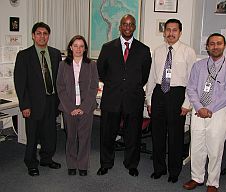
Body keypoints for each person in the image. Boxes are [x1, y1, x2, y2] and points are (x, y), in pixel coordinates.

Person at [96, 14, 152, 177]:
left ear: (134, 27)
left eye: (131, 24)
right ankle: (106, 163)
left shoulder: (143, 50)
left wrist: (129, 86)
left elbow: (144, 76)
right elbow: (101, 71)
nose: (127, 27)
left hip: (133, 98)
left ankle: (131, 164)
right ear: (120, 27)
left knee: (133, 135)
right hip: (111, 98)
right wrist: (115, 84)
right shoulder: (107, 47)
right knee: (107, 133)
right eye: (124, 24)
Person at [183, 33, 226, 192]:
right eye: (212, 44)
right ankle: (196, 178)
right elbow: (191, 88)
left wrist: (210, 109)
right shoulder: (198, 66)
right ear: (207, 47)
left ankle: (213, 182)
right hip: (199, 111)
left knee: (215, 149)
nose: (215, 46)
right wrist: (199, 107)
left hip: (218, 112)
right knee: (197, 147)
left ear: (224, 46)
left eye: (219, 43)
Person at [145, 18, 196, 183]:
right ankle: (159, 168)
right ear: (164, 32)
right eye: (168, 30)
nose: (171, 33)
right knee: (157, 134)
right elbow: (152, 77)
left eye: (174, 30)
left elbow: (192, 80)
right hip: (159, 93)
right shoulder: (158, 51)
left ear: (180, 32)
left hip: (177, 94)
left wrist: (187, 103)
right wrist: (149, 100)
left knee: (175, 136)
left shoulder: (188, 51)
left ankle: (174, 171)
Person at [14, 22, 62, 176]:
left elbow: (59, 80)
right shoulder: (24, 55)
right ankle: (31, 163)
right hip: (33, 104)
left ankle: (46, 159)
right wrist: (24, 105)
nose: (42, 36)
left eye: (45, 33)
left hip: (51, 101)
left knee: (50, 134)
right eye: (39, 33)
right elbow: (20, 82)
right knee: (33, 135)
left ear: (49, 36)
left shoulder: (55, 54)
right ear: (33, 36)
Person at [56, 35, 99, 176]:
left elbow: (94, 87)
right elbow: (60, 87)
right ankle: (71, 164)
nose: (78, 49)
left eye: (81, 46)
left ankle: (83, 165)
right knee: (71, 137)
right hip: (69, 108)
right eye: (75, 45)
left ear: (85, 48)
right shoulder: (63, 64)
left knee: (85, 137)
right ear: (70, 47)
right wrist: (71, 108)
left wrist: (83, 108)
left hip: (86, 107)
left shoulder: (91, 64)